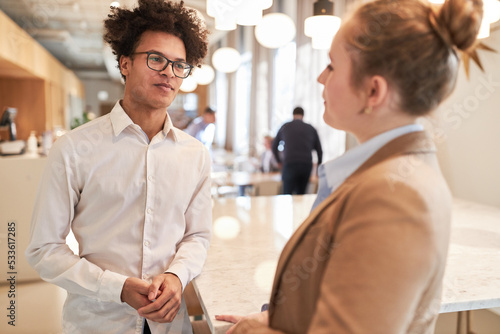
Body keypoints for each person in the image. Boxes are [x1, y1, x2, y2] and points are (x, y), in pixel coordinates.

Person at [216, 0, 483, 332]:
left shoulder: (396, 196)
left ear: (373, 91)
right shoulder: (381, 175)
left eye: (331, 65)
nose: (319, 77)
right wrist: (280, 319)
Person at [26, 1, 211, 333]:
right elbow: (44, 249)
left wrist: (175, 275)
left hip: (169, 323)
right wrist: (118, 288)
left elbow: (197, 235)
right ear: (125, 63)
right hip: (98, 322)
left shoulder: (195, 154)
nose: (169, 72)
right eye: (156, 59)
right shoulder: (73, 150)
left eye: (179, 64)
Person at [272, 107, 323, 194]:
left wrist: (279, 161)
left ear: (293, 115)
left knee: (287, 194)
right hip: (305, 165)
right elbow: (319, 150)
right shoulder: (311, 128)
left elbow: (274, 146)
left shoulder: (285, 126)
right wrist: (318, 169)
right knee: (301, 195)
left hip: (289, 164)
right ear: (303, 116)